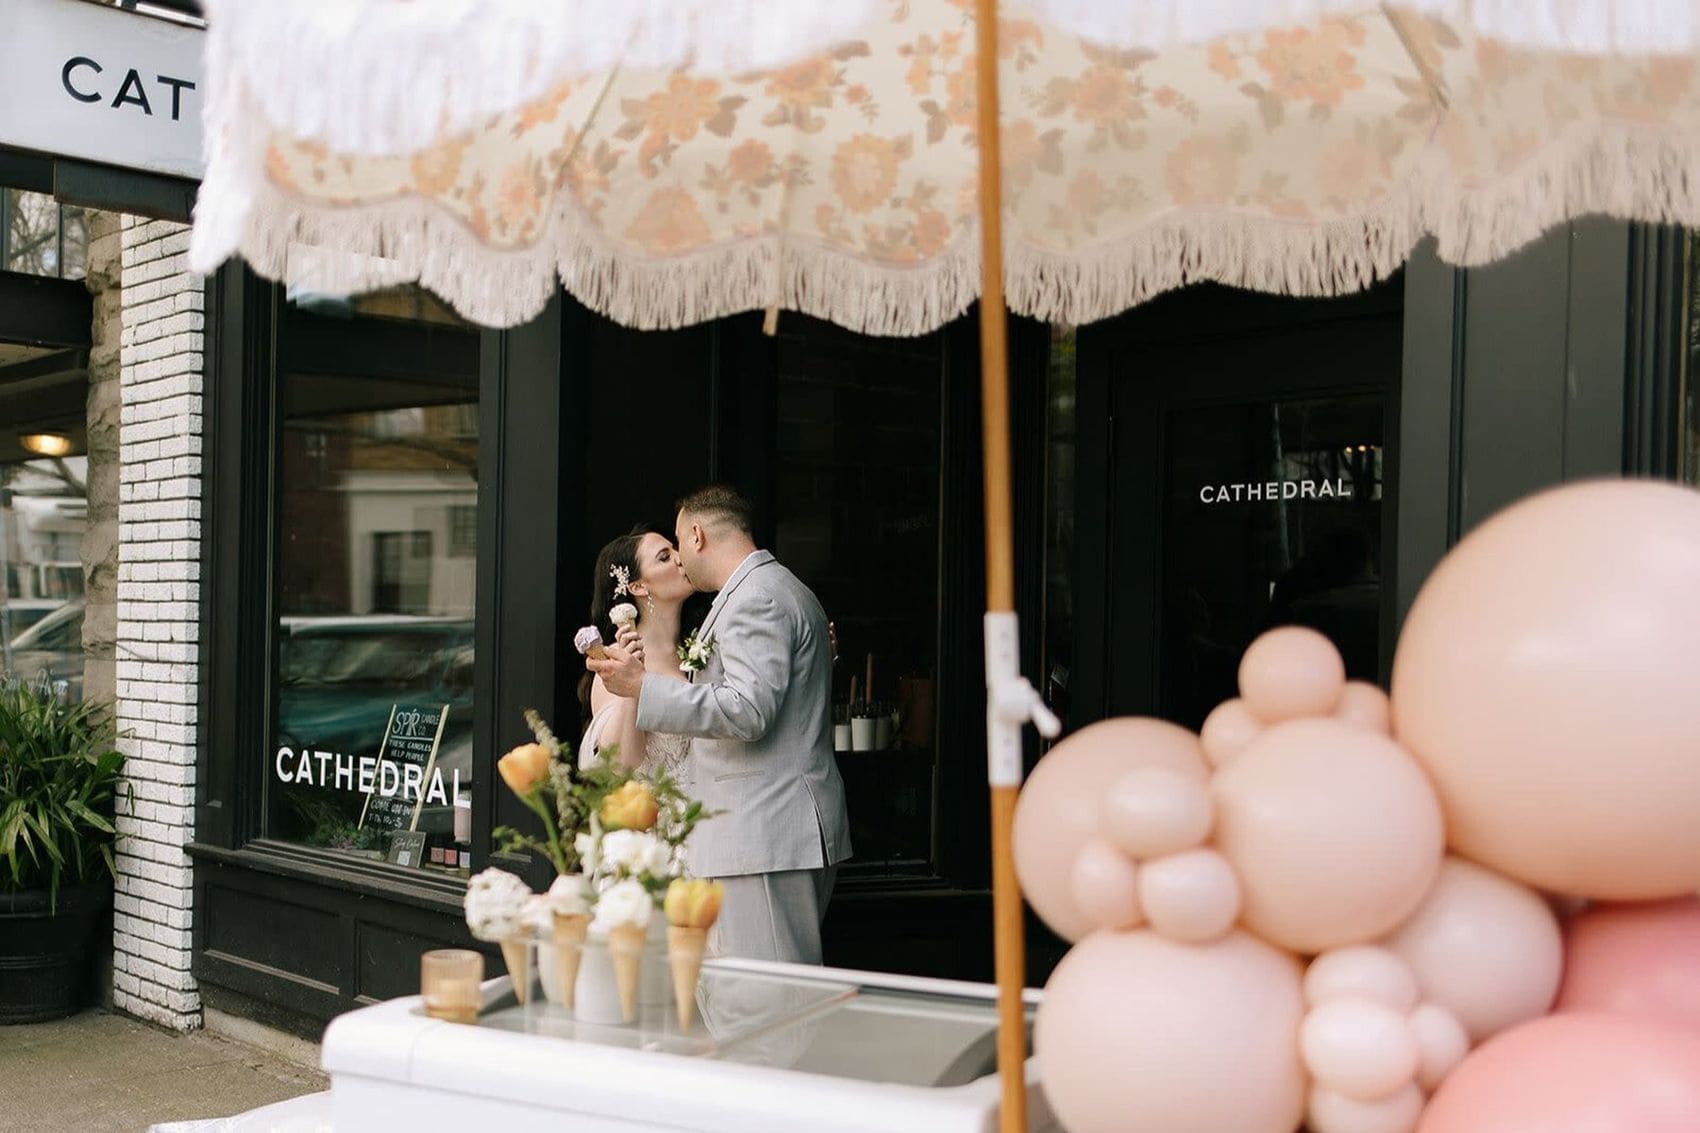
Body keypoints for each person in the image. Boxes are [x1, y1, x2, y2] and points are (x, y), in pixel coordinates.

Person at [587, 485, 852, 965]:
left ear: (697, 535)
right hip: (724, 842)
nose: (680, 559)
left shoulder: (756, 599)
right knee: (752, 1003)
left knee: (764, 1009)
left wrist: (643, 689)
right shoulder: (771, 592)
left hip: (761, 836)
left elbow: (748, 709)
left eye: (676, 545)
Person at [578, 527, 696, 776]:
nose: (680, 557)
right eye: (664, 557)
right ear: (638, 586)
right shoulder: (616, 661)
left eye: (675, 548)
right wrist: (631, 684)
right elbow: (621, 764)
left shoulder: (700, 644)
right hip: (656, 810)